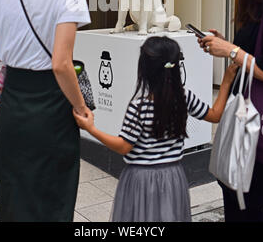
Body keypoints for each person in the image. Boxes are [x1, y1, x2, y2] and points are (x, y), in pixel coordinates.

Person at [0, 0, 94, 222]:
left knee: (13, 188)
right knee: (53, 191)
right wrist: (82, 108)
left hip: (13, 105)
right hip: (52, 109)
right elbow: (61, 63)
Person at [74, 35, 237, 222]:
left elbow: (123, 146)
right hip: (174, 178)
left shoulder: (139, 106)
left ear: (144, 70)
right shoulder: (183, 97)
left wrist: (91, 129)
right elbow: (215, 114)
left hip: (141, 180)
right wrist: (226, 81)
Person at [198, 0, 263, 223]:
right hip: (247, 115)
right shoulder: (254, 0)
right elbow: (254, 52)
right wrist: (226, 42)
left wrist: (230, 50)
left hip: (257, 120)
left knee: (244, 197)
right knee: (236, 189)